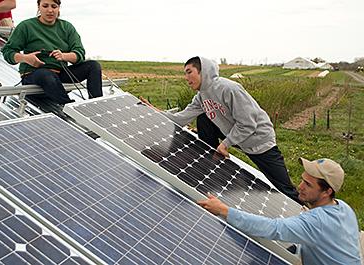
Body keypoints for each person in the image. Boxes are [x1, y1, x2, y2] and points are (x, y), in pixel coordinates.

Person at [147, 56, 300, 203]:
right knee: (203, 117)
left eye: (189, 72)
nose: (186, 78)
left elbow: (248, 124)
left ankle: (303, 209)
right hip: (236, 135)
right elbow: (181, 118)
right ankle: (209, 162)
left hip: (259, 140)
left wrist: (226, 143)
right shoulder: (201, 96)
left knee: (283, 187)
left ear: (203, 71)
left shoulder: (229, 89)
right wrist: (155, 112)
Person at [198, 157, 362, 265]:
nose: (300, 186)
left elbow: (273, 228)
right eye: (303, 180)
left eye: (308, 185)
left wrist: (225, 210)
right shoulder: (343, 208)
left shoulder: (316, 221)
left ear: (327, 192)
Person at [1, 0, 102, 105]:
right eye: (45, 6)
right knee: (46, 74)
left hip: (59, 74)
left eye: (54, 6)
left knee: (93, 66)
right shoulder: (26, 26)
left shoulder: (67, 27)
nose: (50, 10)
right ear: (38, 7)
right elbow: (8, 51)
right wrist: (25, 58)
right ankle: (68, 106)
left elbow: (79, 53)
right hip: (34, 75)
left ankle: (96, 104)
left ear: (59, 8)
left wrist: (64, 56)